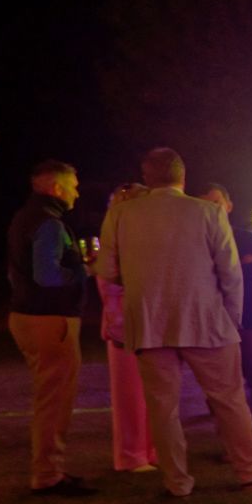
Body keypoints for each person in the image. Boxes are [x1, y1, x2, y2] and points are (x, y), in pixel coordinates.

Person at [97, 147, 252, 497]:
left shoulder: (121, 215)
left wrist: (139, 281)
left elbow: (106, 270)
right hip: (206, 320)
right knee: (229, 398)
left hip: (149, 322)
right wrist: (233, 318)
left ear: (147, 178)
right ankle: (249, 472)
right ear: (183, 177)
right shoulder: (208, 212)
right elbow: (231, 272)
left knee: (162, 407)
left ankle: (177, 481)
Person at [5, 159, 95, 495]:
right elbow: (47, 275)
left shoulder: (23, 218)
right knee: (55, 400)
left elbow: (18, 271)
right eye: (72, 184)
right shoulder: (50, 224)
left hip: (25, 315)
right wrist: (85, 273)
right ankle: (48, 475)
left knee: (48, 397)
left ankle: (49, 470)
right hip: (49, 319)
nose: (77, 191)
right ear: (55, 188)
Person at [201, 184, 252, 449]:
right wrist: (231, 267)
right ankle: (230, 438)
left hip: (248, 315)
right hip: (215, 320)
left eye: (217, 202)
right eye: (208, 203)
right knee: (224, 381)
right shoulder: (199, 241)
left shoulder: (246, 237)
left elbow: (251, 271)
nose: (214, 208)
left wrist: (219, 270)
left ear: (228, 205)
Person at [100, 184, 158, 472]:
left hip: (143, 323)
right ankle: (132, 454)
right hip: (126, 325)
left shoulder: (136, 239)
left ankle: (149, 449)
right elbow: (113, 285)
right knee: (130, 395)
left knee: (149, 393)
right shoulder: (118, 242)